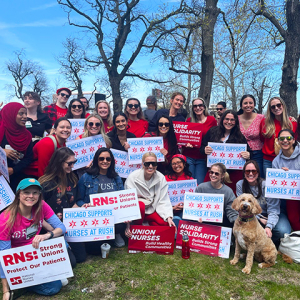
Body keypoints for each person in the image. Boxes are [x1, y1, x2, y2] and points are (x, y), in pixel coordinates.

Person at [0, 178, 66, 298]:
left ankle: (29, 279)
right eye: (26, 192)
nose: (31, 196)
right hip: (20, 259)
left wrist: (47, 235)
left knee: (64, 248)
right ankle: (24, 282)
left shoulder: (41, 205)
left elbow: (61, 227)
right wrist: (6, 291)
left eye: (35, 192)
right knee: (54, 287)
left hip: (37, 249)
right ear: (18, 194)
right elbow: (3, 256)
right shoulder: (5, 219)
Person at [39, 147, 87, 265]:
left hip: (68, 226)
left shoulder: (72, 179)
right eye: (69, 163)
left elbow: (73, 203)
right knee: (71, 262)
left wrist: (83, 210)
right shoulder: (45, 183)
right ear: (59, 163)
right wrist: (53, 230)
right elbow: (37, 212)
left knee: (81, 257)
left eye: (74, 162)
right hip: (49, 228)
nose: (72, 166)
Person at [77, 148, 126, 251]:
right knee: (94, 250)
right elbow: (79, 199)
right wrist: (85, 205)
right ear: (96, 160)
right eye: (101, 159)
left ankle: (113, 235)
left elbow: (122, 198)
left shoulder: (116, 177)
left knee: (121, 226)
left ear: (111, 161)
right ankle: (105, 237)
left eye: (108, 159)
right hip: (94, 218)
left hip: (112, 217)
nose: (105, 161)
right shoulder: (86, 177)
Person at [124, 152, 176, 236]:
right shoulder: (132, 177)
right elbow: (127, 202)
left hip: (151, 209)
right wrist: (128, 225)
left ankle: (148, 226)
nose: (151, 166)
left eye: (154, 163)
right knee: (140, 205)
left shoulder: (161, 178)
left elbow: (163, 199)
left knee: (166, 224)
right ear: (143, 164)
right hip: (137, 212)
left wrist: (168, 217)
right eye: (147, 163)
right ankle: (137, 230)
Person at [200, 110, 251, 194]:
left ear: (236, 122)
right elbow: (202, 148)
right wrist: (205, 150)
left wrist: (247, 154)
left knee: (230, 195)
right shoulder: (213, 131)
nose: (229, 122)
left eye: (232, 120)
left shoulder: (239, 136)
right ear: (222, 120)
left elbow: (249, 152)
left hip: (232, 174)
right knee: (208, 192)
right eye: (227, 119)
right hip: (214, 172)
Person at [236, 160, 285, 246]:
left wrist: (269, 226)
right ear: (244, 173)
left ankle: (272, 242)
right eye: (247, 171)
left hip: (271, 213)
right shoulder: (240, 184)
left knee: (282, 231)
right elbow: (241, 207)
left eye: (253, 171)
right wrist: (258, 218)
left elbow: (273, 209)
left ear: (258, 172)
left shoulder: (267, 185)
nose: (250, 174)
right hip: (252, 215)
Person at [182, 98, 217, 184]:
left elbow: (215, 137)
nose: (198, 108)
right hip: (189, 155)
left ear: (204, 107)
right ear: (192, 108)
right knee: (190, 183)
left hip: (202, 157)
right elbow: (184, 138)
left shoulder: (211, 120)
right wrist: (186, 143)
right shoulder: (189, 121)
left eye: (200, 105)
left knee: (200, 183)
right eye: (195, 106)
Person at [260, 96, 297, 177]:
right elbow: (262, 139)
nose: (276, 108)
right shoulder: (264, 123)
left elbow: (295, 141)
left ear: (283, 106)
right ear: (270, 109)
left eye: (278, 105)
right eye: (273, 107)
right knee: (269, 185)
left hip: (287, 159)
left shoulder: (292, 123)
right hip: (268, 160)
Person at [0, 102, 33, 191]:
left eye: (25, 113)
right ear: (11, 114)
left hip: (17, 178)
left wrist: (13, 170)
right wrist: (2, 151)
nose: (25, 116)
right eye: (21, 113)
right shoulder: (1, 130)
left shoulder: (27, 135)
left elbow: (29, 158)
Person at [195, 163, 238, 228]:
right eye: (211, 172)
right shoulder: (201, 187)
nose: (213, 175)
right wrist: (196, 217)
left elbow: (231, 210)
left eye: (216, 173)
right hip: (202, 223)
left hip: (221, 224)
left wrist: (236, 221)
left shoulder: (228, 191)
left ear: (222, 175)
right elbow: (194, 207)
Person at [272, 129, 299, 232]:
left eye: (288, 138)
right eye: (281, 139)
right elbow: (276, 184)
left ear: (293, 140)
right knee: (293, 218)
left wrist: (292, 173)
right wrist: (282, 176)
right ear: (278, 141)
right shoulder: (276, 161)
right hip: (292, 194)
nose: (285, 141)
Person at [237, 95, 265, 176]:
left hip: (257, 154)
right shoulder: (236, 118)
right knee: (241, 178)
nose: (248, 105)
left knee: (257, 178)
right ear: (241, 106)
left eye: (250, 103)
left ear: (254, 105)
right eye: (245, 103)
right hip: (240, 154)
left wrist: (290, 119)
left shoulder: (261, 118)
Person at [165, 154, 193, 228]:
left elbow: (194, 201)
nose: (176, 165)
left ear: (184, 164)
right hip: (168, 210)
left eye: (178, 162)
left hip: (184, 211)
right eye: (173, 164)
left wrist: (186, 206)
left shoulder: (191, 180)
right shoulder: (165, 179)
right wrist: (172, 208)